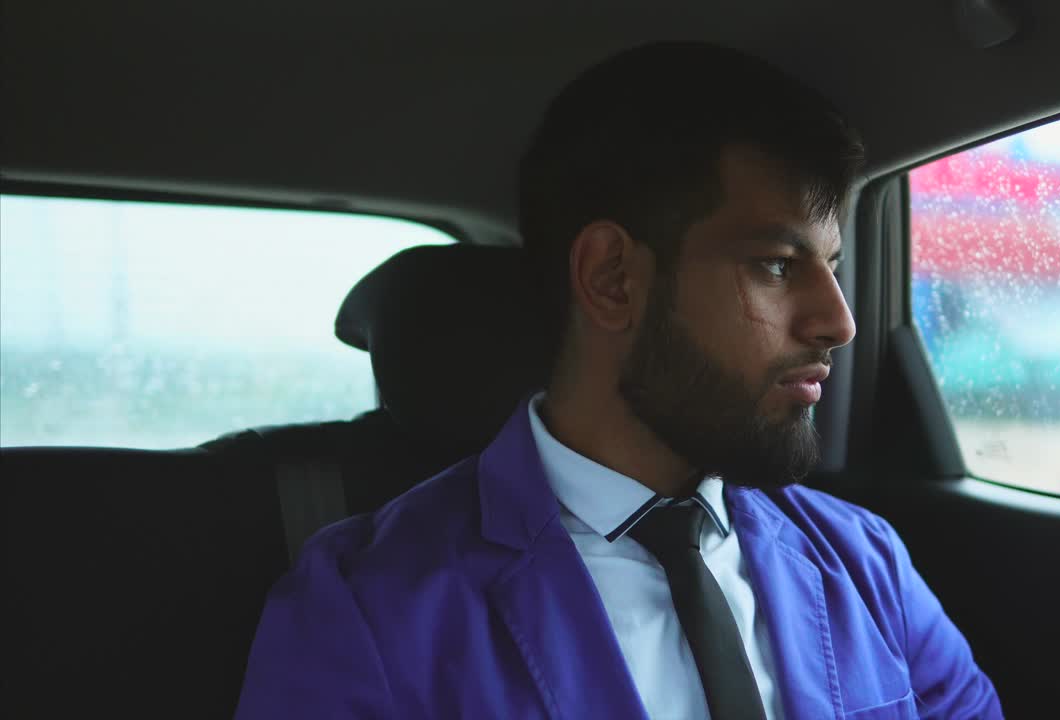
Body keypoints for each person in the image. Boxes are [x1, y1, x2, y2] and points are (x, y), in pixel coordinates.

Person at [235, 42, 1002, 719]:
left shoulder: (864, 563)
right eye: (775, 265)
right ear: (612, 278)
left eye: (831, 267)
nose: (838, 322)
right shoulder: (368, 607)